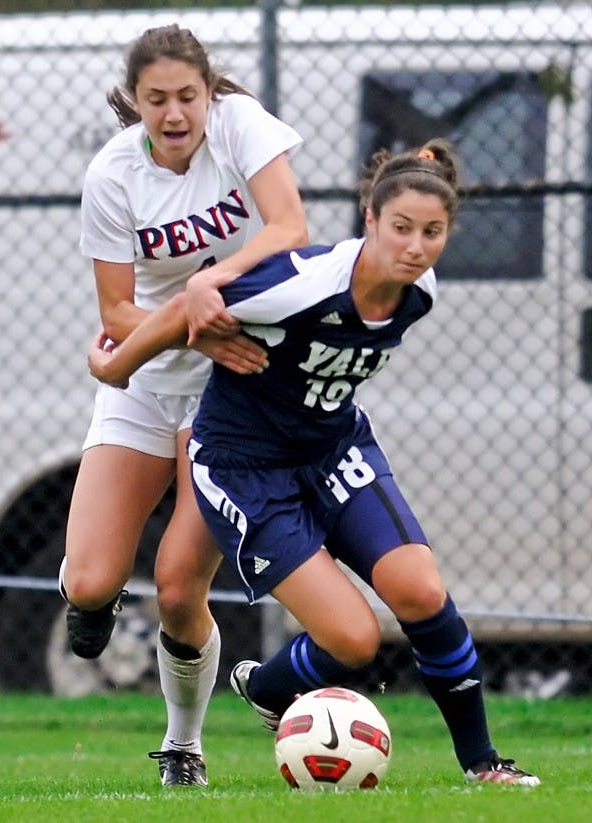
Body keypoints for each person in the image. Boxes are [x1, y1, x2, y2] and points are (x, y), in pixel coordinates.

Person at [87, 139, 540, 786]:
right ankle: (266, 688)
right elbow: (190, 306)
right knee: (354, 641)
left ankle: (482, 762)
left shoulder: (421, 291)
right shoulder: (302, 284)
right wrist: (114, 364)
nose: (415, 247)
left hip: (332, 447)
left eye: (433, 232)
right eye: (401, 228)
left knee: (420, 589)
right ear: (370, 221)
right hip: (244, 465)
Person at [61, 23, 308, 788]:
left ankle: (183, 745)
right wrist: (199, 328)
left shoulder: (241, 127)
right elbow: (116, 316)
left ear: (210, 92)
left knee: (177, 585)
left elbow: (291, 227)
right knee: (94, 579)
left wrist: (211, 288)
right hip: (155, 374)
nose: (174, 114)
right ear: (135, 103)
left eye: (188, 97)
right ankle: (91, 594)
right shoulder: (112, 175)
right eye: (156, 99)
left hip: (228, 390)